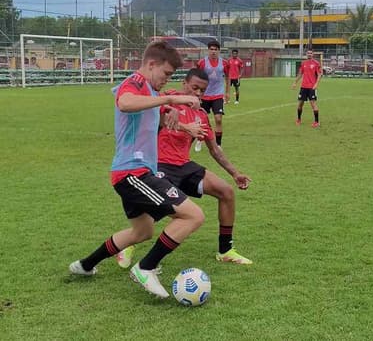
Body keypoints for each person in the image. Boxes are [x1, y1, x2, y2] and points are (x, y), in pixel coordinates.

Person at [69, 41, 204, 299]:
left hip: (134, 174)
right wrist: (171, 98)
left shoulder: (151, 93)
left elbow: (152, 115)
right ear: (151, 65)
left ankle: (85, 265)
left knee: (142, 231)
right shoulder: (135, 82)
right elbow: (126, 102)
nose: (167, 80)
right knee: (193, 216)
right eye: (165, 74)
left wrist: (170, 113)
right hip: (133, 174)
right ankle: (146, 267)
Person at [116, 69, 254, 266]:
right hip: (159, 164)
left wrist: (235, 173)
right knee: (163, 209)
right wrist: (178, 118)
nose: (198, 93)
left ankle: (226, 250)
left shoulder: (201, 115)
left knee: (226, 192)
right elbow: (150, 109)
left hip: (184, 165)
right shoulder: (168, 98)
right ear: (184, 84)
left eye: (202, 90)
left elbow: (214, 149)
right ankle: (127, 245)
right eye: (194, 87)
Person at [196, 39, 229, 148]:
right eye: (211, 49)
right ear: (208, 50)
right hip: (204, 95)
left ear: (219, 51)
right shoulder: (202, 63)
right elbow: (197, 77)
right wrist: (197, 93)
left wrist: (227, 92)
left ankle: (218, 145)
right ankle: (200, 139)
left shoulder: (224, 63)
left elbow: (228, 77)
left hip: (218, 94)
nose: (213, 52)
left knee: (218, 119)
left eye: (215, 49)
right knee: (201, 119)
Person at [291, 48, 322, 128]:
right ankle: (298, 119)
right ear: (306, 54)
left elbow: (319, 75)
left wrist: (316, 84)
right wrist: (295, 82)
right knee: (300, 104)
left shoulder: (316, 63)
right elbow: (300, 74)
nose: (309, 54)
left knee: (313, 104)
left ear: (313, 54)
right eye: (308, 53)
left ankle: (317, 122)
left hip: (311, 87)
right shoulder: (303, 63)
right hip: (303, 87)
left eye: (310, 53)